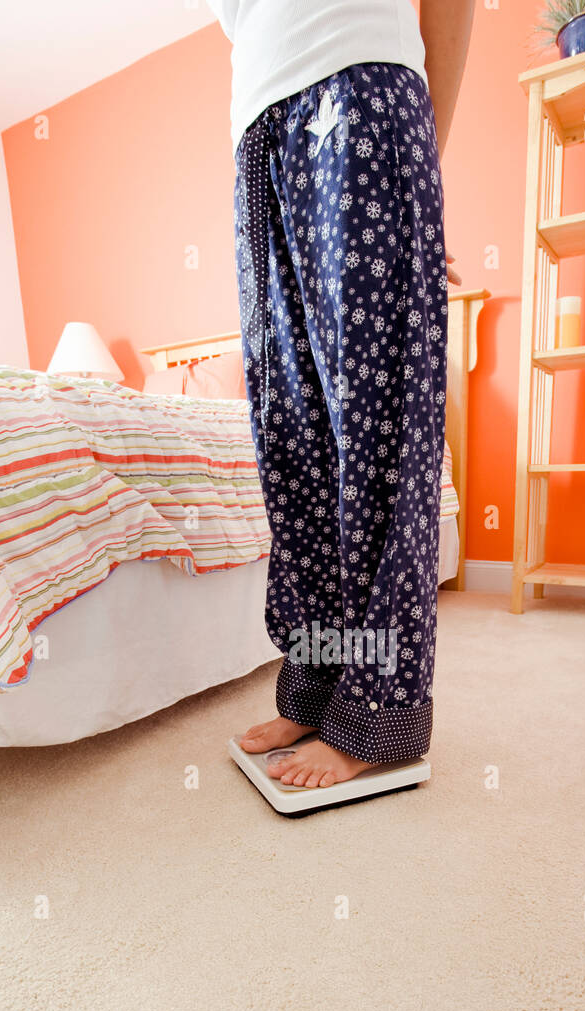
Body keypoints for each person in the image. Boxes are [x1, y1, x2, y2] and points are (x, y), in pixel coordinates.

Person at [208, 0, 475, 788]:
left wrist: (417, 172)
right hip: (257, 144)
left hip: (359, 96)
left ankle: (379, 719)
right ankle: (320, 683)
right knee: (293, 439)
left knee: (378, 425)